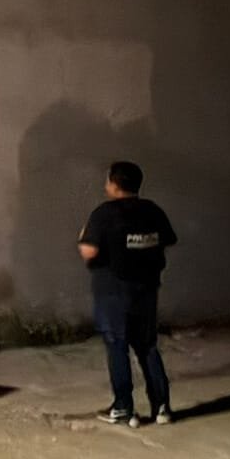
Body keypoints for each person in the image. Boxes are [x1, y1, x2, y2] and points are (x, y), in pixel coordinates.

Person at [77, 161, 178, 427]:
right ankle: (162, 407)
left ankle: (123, 407)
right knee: (147, 345)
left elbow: (89, 250)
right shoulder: (153, 211)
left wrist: (84, 238)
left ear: (113, 184)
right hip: (147, 288)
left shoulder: (104, 214)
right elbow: (166, 241)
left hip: (113, 291)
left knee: (117, 345)